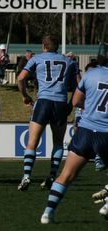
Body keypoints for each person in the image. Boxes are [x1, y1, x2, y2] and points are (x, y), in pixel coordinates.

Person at [40, 63, 108, 224]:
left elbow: (76, 101)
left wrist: (91, 107)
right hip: (106, 133)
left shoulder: (91, 74)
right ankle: (106, 206)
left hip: (84, 132)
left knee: (66, 175)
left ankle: (47, 213)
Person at [17, 34, 78, 191]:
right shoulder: (70, 62)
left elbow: (20, 78)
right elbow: (79, 86)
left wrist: (25, 96)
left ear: (43, 46)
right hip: (60, 103)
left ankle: (26, 176)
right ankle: (52, 176)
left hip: (43, 102)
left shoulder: (37, 59)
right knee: (58, 142)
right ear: (57, 47)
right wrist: (71, 104)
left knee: (32, 141)